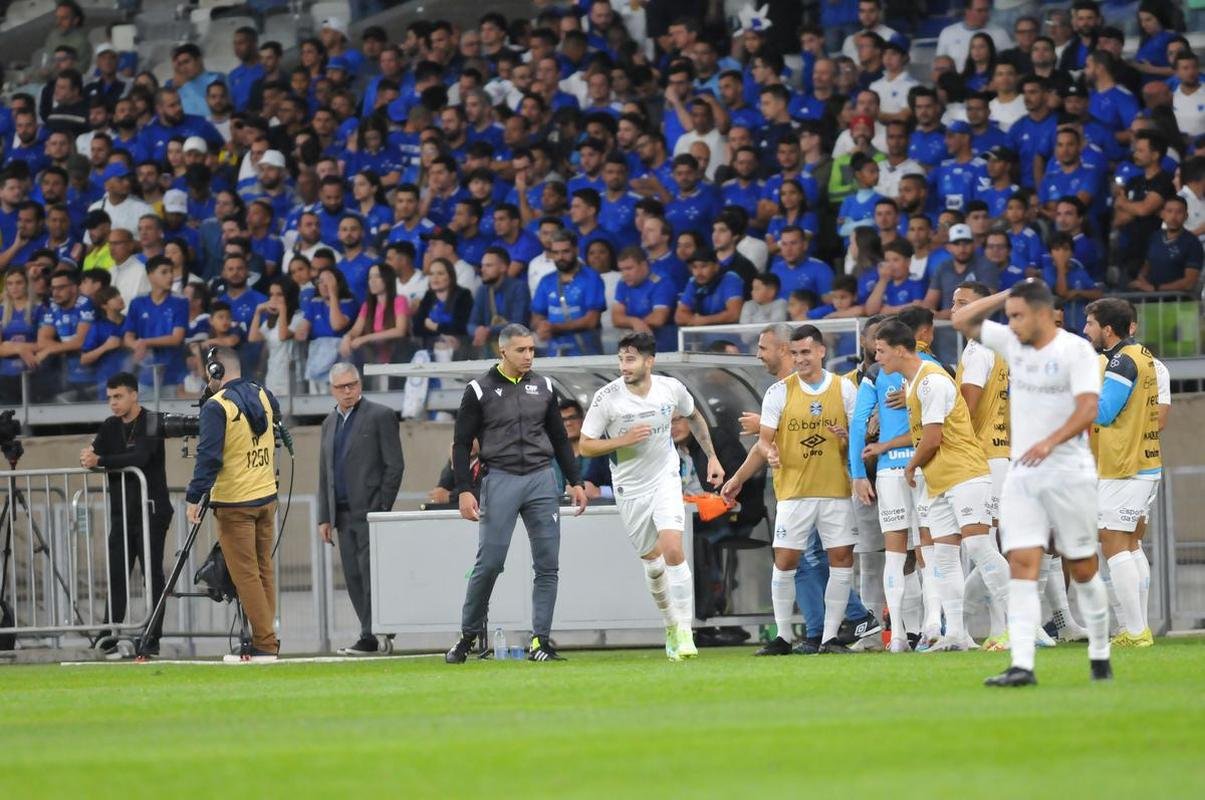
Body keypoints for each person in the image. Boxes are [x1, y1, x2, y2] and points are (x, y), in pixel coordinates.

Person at [952, 280, 1113, 687]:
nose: (1012, 323)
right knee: (1023, 562)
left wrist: (1050, 441)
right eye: (1009, 316)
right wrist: (1008, 294)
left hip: (1067, 472)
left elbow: (1088, 408)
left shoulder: (1075, 350)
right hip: (1023, 475)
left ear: (1044, 313)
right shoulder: (1012, 342)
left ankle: (1099, 648)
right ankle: (1022, 664)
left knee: (1081, 567)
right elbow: (962, 318)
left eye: (1019, 315)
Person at [444, 324, 589, 664]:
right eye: (522, 350)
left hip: (541, 479)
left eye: (532, 350)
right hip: (501, 479)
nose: (528, 356)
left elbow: (558, 438)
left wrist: (575, 480)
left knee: (548, 565)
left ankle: (541, 641)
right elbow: (462, 444)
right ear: (502, 351)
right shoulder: (478, 390)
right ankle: (466, 636)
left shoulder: (544, 386)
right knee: (490, 563)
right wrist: (465, 489)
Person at [578, 332, 723, 660]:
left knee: (673, 548)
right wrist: (622, 440)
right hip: (630, 488)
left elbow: (695, 416)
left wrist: (712, 457)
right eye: (620, 359)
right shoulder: (607, 399)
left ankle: (686, 632)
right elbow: (586, 445)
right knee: (653, 565)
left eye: (630, 359)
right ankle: (670, 623)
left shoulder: (670, 389)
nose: (623, 366)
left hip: (665, 480)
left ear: (649, 361)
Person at [722, 324, 860, 655]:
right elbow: (764, 441)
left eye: (806, 352)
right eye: (795, 353)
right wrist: (752, 466)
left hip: (835, 491)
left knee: (840, 559)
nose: (800, 359)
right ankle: (783, 636)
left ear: (821, 351)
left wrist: (847, 439)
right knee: (785, 561)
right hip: (794, 493)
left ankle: (828, 638)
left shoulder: (844, 389)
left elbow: (858, 439)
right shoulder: (779, 392)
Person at [873, 318, 1010, 652]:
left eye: (881, 351)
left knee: (978, 546)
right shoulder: (914, 383)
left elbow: (932, 437)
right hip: (940, 480)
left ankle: (1021, 623)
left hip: (965, 475)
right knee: (944, 558)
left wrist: (911, 464)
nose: (877, 358)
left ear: (901, 350)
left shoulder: (932, 382)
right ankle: (957, 634)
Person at [184, 346, 283, 662]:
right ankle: (268, 637)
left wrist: (194, 496)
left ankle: (265, 643)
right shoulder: (263, 394)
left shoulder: (218, 406)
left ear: (215, 371)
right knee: (263, 569)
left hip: (235, 502)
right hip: (266, 495)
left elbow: (209, 457)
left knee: (246, 575)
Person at [1082, 299, 1158, 649]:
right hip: (1143, 461)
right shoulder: (1144, 355)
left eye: (1090, 324)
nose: (1086, 330)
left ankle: (1136, 629)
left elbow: (1105, 412)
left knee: (1114, 545)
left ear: (1107, 329)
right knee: (1128, 544)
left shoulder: (1120, 361)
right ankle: (1138, 628)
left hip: (1123, 466)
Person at [80, 372, 172, 658]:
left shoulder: (153, 421)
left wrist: (101, 460)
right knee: (117, 575)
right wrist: (88, 457)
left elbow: (141, 458)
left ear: (134, 394)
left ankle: (152, 637)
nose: (113, 403)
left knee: (152, 576)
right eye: (109, 398)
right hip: (121, 514)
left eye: (118, 396)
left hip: (151, 511)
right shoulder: (110, 426)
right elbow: (92, 454)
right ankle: (109, 637)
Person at [317, 362, 405, 656]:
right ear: (332, 390)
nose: (348, 391)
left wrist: (381, 506)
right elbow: (324, 472)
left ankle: (372, 633)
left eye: (352, 385)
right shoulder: (329, 423)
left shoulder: (380, 415)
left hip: (369, 511)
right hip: (341, 513)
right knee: (354, 577)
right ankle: (371, 630)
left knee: (370, 575)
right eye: (342, 387)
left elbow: (395, 465)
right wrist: (323, 516)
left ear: (360, 384)